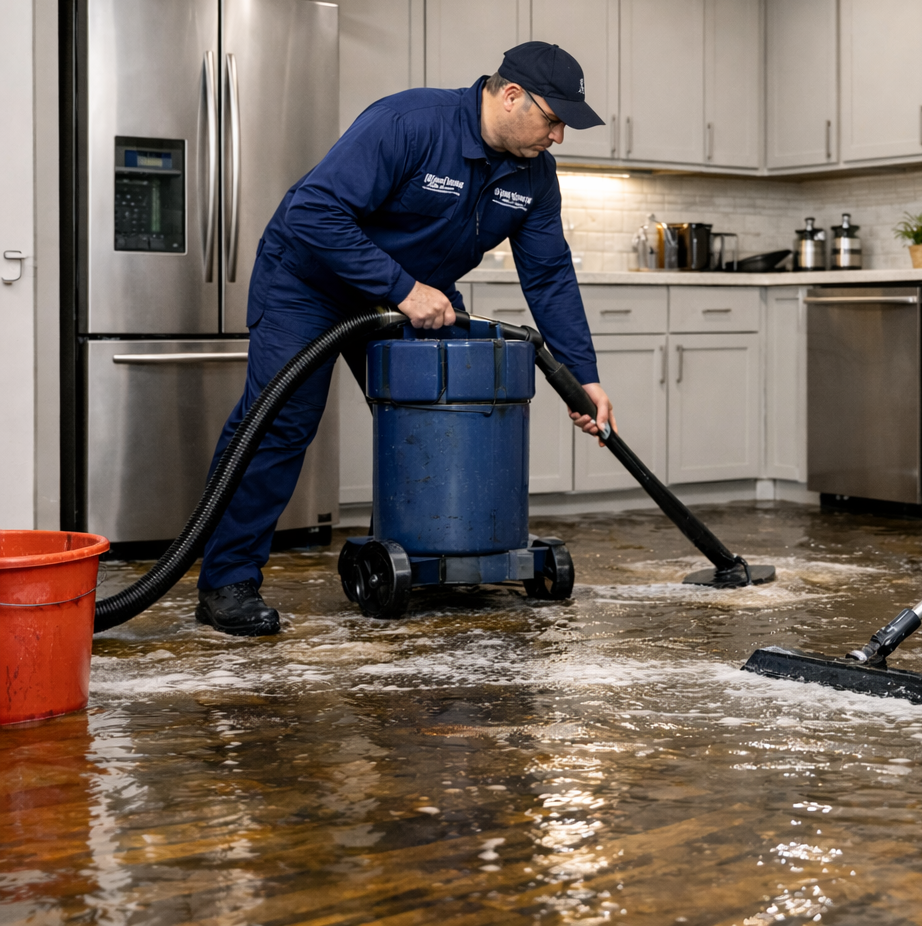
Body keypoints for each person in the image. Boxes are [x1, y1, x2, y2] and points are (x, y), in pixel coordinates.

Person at [194, 42, 613, 636]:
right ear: (512, 95)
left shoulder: (534, 175)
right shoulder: (410, 124)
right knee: (280, 422)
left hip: (406, 293)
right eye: (553, 120)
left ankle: (444, 555)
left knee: (451, 401)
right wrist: (403, 287)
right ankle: (227, 582)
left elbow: (548, 275)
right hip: (307, 281)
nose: (559, 138)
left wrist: (582, 378)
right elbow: (313, 212)